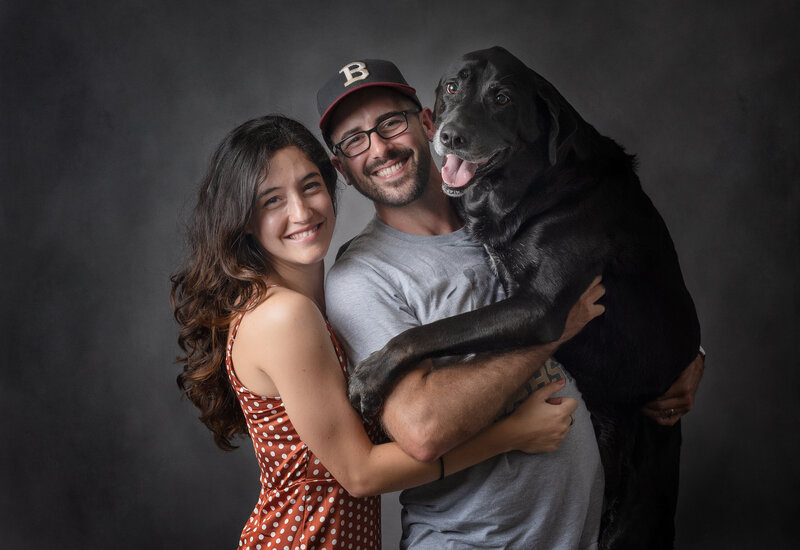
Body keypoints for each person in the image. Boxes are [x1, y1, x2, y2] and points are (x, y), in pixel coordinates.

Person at [317, 59, 705, 549]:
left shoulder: (510, 212)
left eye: (391, 122)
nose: (380, 148)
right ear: (343, 170)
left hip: (579, 530)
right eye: (355, 140)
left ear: (429, 122)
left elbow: (628, 260)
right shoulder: (360, 278)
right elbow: (423, 431)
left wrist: (686, 355)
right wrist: (557, 331)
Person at [170, 115, 601, 550]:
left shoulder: (306, 304)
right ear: (244, 219)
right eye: (271, 200)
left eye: (310, 186)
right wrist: (513, 434)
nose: (301, 212)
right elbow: (361, 474)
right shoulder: (284, 315)